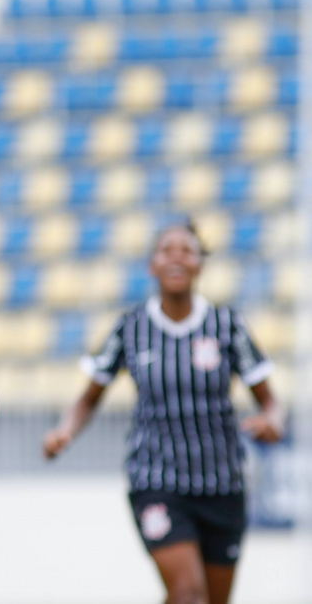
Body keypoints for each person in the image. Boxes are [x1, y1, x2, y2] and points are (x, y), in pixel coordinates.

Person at [44, 223, 284, 604]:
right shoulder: (131, 328)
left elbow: (269, 400)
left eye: (186, 250)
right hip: (157, 481)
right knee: (189, 593)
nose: (176, 256)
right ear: (151, 265)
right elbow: (89, 396)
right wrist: (65, 431)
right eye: (166, 250)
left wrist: (272, 422)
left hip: (223, 484)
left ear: (200, 265)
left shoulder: (227, 326)